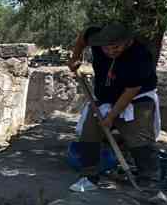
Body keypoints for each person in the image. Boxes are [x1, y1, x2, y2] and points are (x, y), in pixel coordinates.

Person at [67, 23, 160, 192]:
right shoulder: (96, 37)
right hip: (104, 97)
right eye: (106, 48)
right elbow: (83, 36)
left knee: (140, 138)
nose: (110, 52)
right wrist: (75, 57)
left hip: (136, 98)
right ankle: (89, 177)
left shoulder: (140, 56)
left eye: (115, 47)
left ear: (127, 42)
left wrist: (111, 117)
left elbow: (131, 90)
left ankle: (149, 183)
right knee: (89, 134)